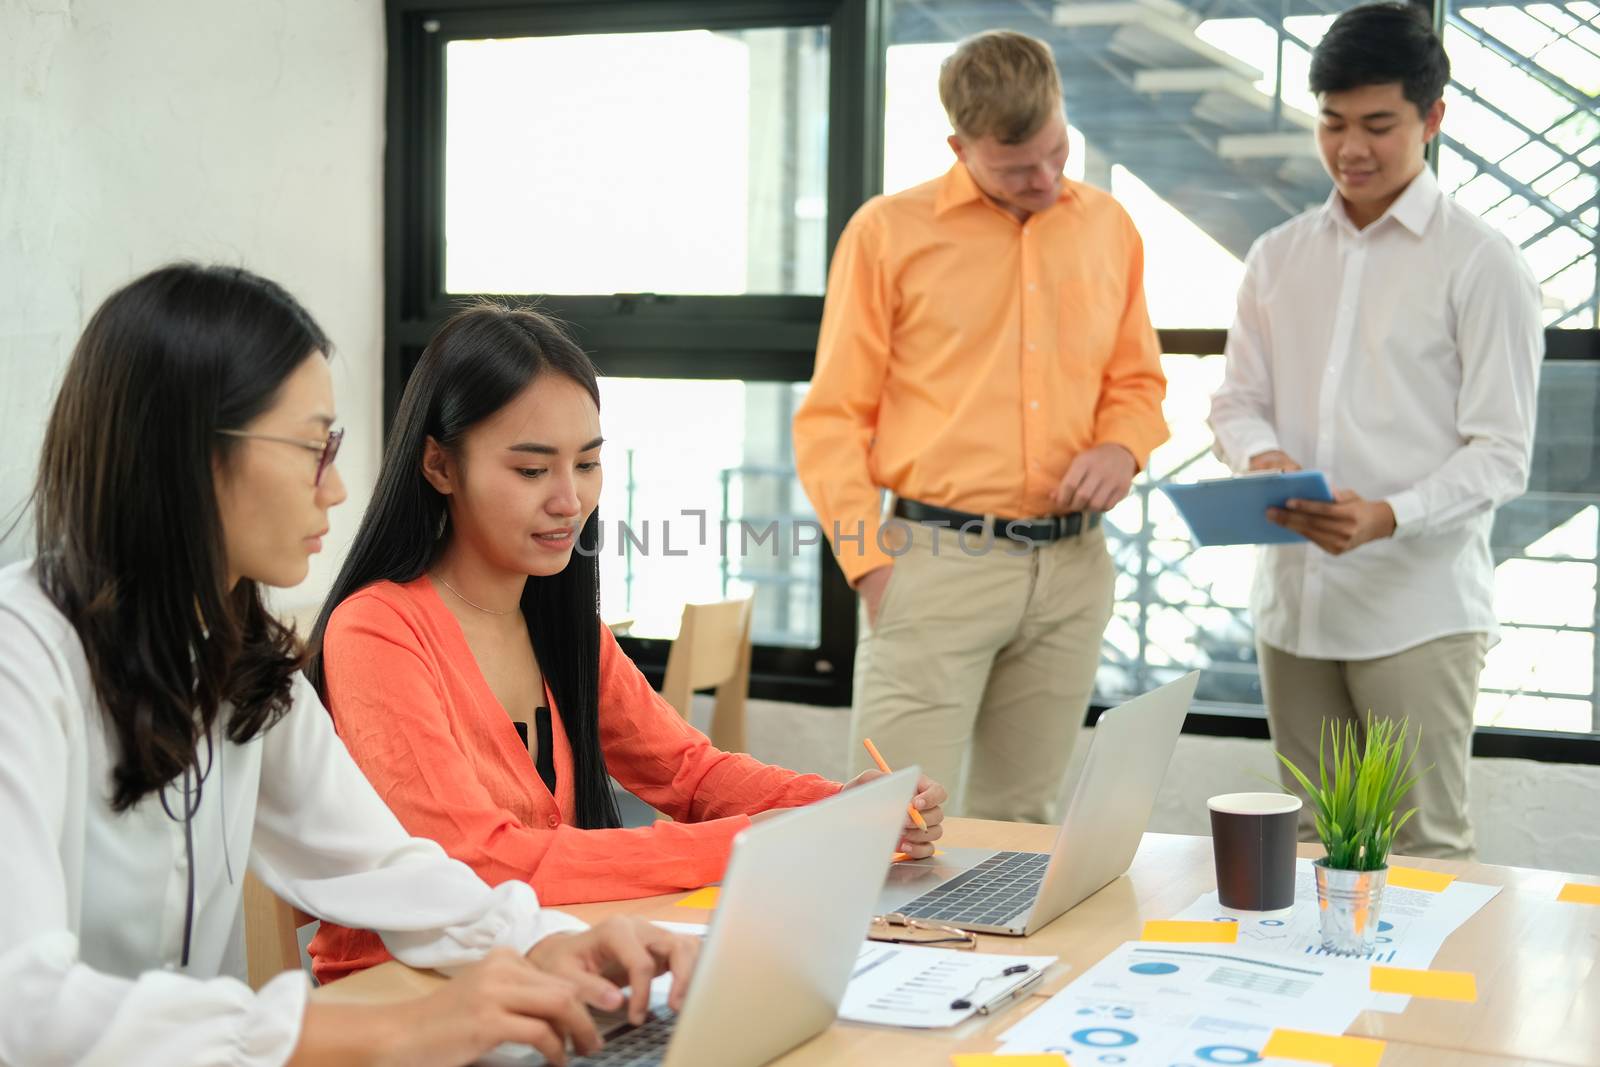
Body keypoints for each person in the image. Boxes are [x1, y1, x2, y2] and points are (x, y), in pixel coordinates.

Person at [0, 264, 699, 1067]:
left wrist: (549, 945)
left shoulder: (243, 664)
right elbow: (22, 1006)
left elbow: (381, 866)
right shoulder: (21, 654)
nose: (334, 489)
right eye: (312, 447)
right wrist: (395, 1030)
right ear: (188, 453)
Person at [303, 301, 947, 983]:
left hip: (539, 973)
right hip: (401, 995)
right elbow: (478, 863)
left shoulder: (562, 623)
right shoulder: (376, 629)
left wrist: (843, 807)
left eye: (587, 464)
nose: (569, 498)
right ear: (439, 465)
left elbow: (688, 773)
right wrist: (772, 842)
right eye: (531, 470)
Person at [791, 30, 1168, 821]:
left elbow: (1136, 378)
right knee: (894, 819)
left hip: (1073, 570)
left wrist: (1123, 446)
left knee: (1021, 824)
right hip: (933, 562)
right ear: (960, 145)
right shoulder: (887, 233)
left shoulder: (1110, 228)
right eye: (1016, 165)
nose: (1045, 178)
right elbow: (833, 418)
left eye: (1057, 151)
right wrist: (870, 566)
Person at [1207, 2, 1543, 859]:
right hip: (1292, 609)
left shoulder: (1481, 260)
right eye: (1331, 123)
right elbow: (1233, 402)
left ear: (1433, 118)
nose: (1351, 148)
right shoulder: (1278, 256)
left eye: (1378, 125)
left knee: (1423, 853)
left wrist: (1387, 513)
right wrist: (1263, 455)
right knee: (1313, 852)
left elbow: (1502, 454)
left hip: (1416, 611)